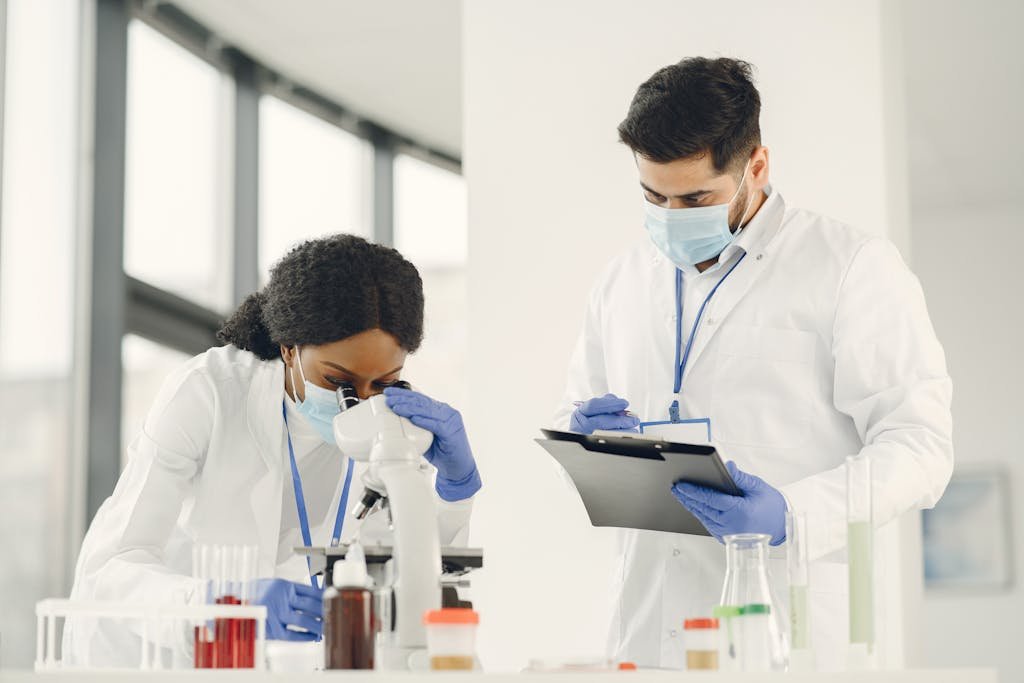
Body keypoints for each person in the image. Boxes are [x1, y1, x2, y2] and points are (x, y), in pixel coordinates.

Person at [554, 57, 952, 671]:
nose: (671, 215)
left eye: (695, 197)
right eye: (653, 195)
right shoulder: (622, 280)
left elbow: (921, 447)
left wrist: (792, 515)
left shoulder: (851, 267)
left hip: (790, 632)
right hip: (649, 632)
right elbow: (577, 413)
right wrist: (588, 436)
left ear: (756, 167)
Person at [65, 234, 482, 667]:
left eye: (384, 383)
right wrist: (222, 603)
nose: (361, 401)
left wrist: (455, 491)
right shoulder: (208, 393)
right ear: (289, 350)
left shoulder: (387, 429)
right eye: (339, 383)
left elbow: (413, 575)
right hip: (150, 661)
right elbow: (111, 569)